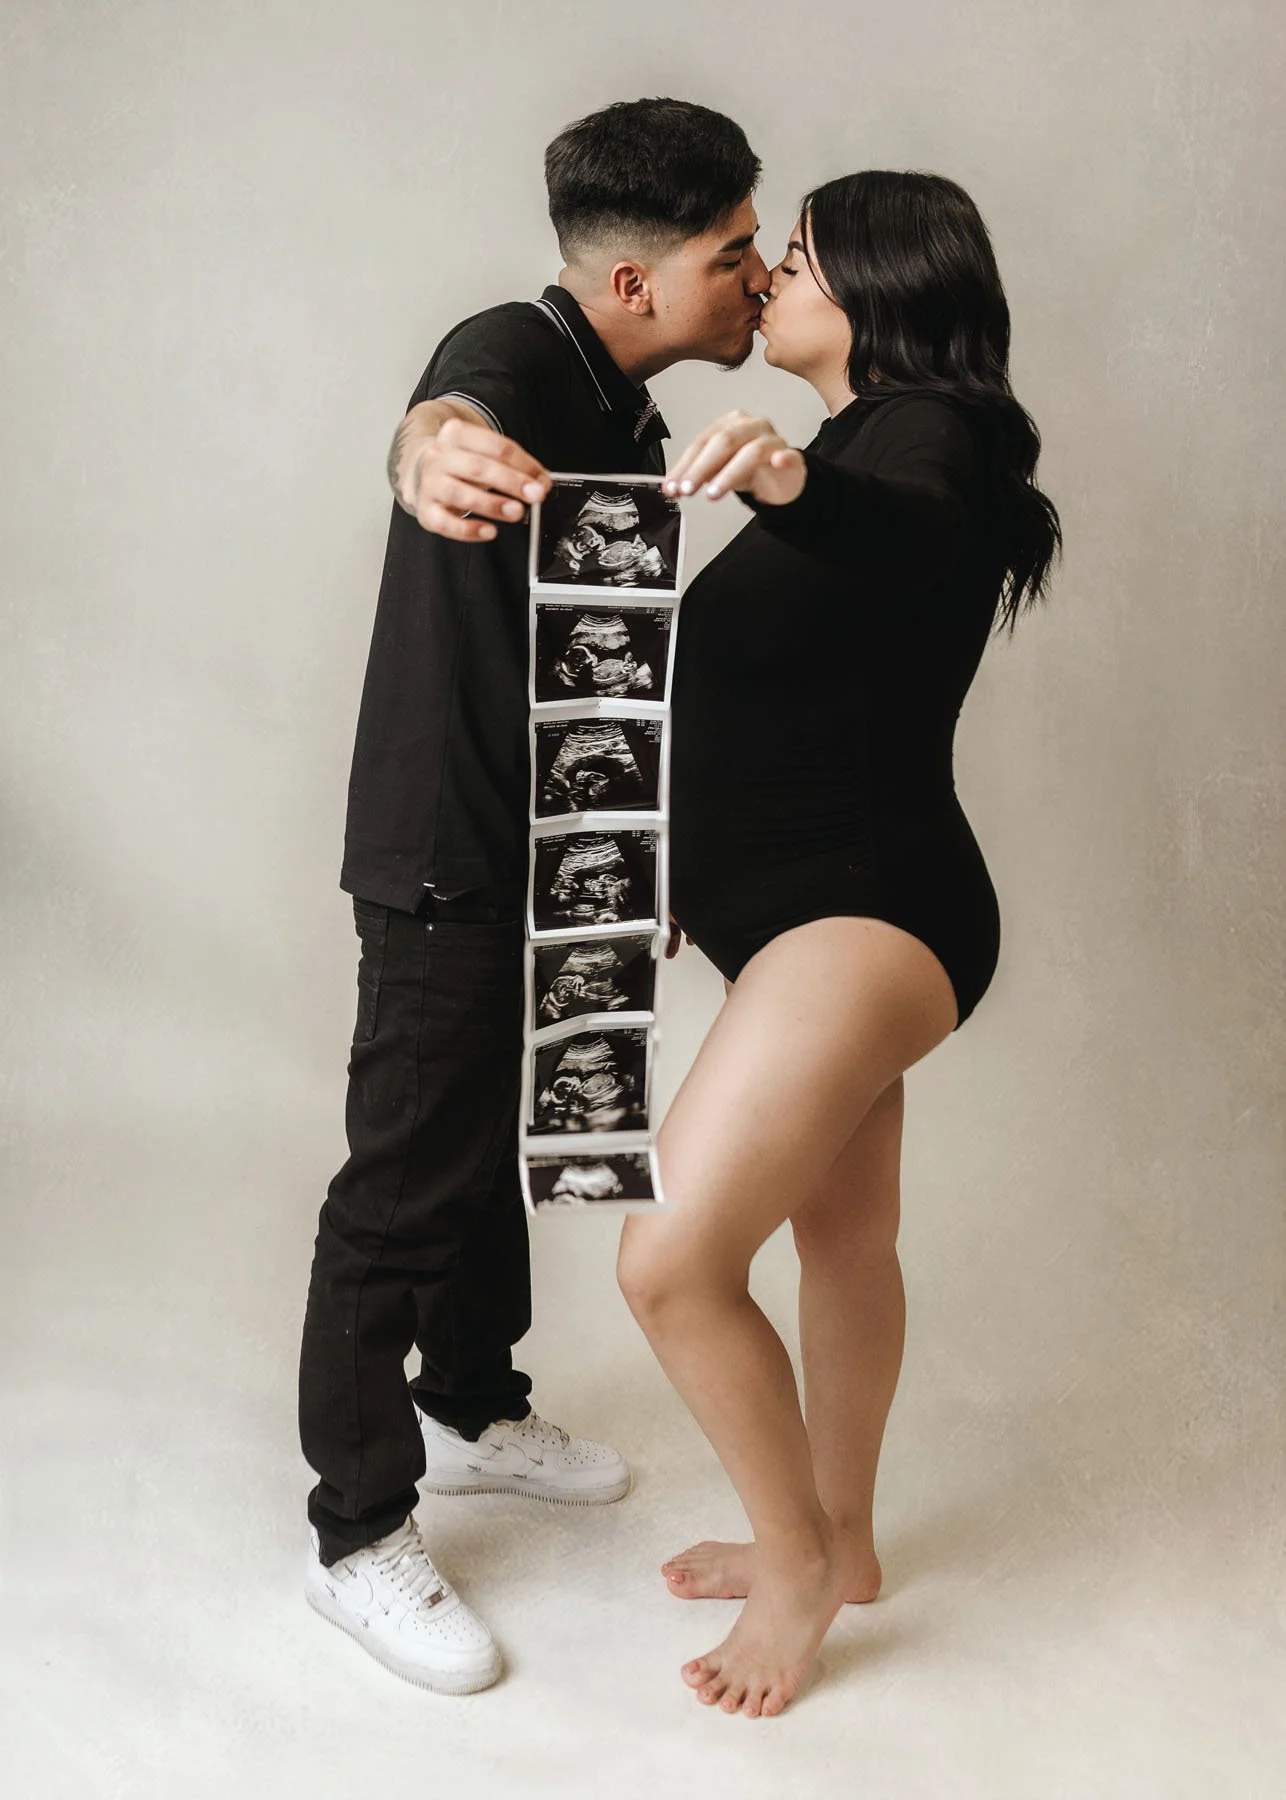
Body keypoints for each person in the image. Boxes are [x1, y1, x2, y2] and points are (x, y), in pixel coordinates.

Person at [297, 95, 769, 1695]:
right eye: (731, 253)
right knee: (400, 1181)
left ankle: (475, 1404)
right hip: (443, 844)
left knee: (508, 1130)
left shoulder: (633, 419)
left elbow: (604, 682)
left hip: (555, 854)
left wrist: (636, 856)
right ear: (632, 284)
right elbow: (441, 418)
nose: (760, 276)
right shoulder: (514, 351)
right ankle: (359, 1536)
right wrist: (425, 451)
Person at [616, 170, 1062, 1718]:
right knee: (841, 1240)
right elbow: (782, 698)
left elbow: (915, 532)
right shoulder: (869, 444)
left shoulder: (915, 442)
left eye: (789, 259)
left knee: (671, 1257)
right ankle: (849, 1540)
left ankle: (800, 1565)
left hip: (861, 912)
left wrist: (799, 486)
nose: (763, 284)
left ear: (870, 286)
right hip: (816, 912)